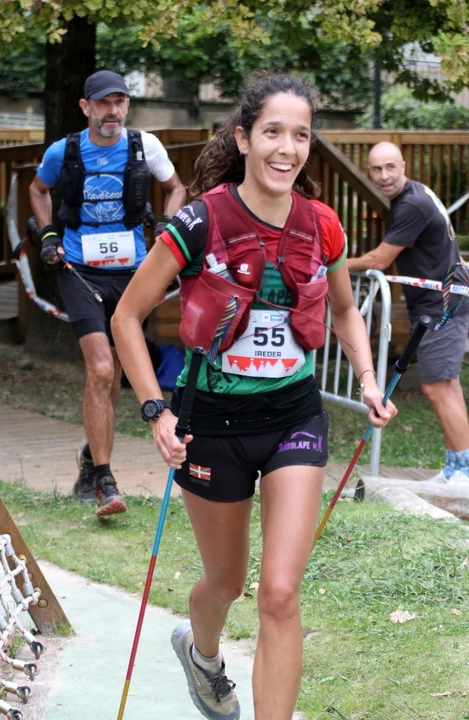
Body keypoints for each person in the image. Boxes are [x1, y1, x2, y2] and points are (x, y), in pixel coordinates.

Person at [112, 74, 397, 720]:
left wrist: (367, 379)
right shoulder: (200, 222)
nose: (287, 148)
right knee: (226, 582)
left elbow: (344, 312)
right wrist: (156, 411)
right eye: (273, 131)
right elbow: (126, 317)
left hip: (294, 416)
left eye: (301, 135)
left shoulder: (321, 225)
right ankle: (202, 655)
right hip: (211, 423)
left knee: (279, 593)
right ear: (243, 138)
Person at [29, 70, 186, 517]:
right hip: (79, 270)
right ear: (86, 107)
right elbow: (38, 190)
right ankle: (104, 480)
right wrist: (48, 234)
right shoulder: (64, 151)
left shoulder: (145, 146)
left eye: (119, 102)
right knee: (100, 367)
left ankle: (90, 457)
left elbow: (177, 187)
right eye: (103, 103)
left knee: (113, 372)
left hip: (133, 275)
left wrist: (167, 226)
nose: (112, 111)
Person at [346, 141, 469, 486]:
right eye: (377, 169)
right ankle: (456, 468)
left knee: (437, 387)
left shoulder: (411, 204)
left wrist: (334, 266)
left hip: (441, 305)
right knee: (446, 387)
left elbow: (379, 260)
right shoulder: (415, 194)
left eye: (390, 167)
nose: (384, 176)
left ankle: (464, 472)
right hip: (444, 301)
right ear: (369, 171)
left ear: (403, 166)